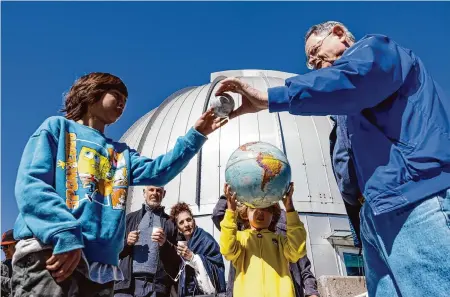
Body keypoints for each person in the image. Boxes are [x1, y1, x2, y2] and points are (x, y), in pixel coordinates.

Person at [215, 21, 450, 296]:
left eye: (316, 51)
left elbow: (353, 78)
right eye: (311, 63)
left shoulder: (374, 51)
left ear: (338, 33)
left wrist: (272, 97)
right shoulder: (345, 111)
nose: (314, 63)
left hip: (415, 198)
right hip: (375, 217)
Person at [12, 72, 228, 297]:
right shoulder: (57, 129)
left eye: (125, 100)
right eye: (116, 95)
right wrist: (65, 235)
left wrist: (197, 134)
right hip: (53, 252)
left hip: (99, 270)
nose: (122, 104)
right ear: (92, 93)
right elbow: (32, 185)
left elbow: (159, 171)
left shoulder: (121, 154)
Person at [212, 196, 319, 297]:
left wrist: (290, 209)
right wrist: (230, 211)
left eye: (267, 209)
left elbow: (298, 250)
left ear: (274, 215)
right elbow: (227, 250)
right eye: (253, 208)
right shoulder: (239, 238)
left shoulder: (281, 241)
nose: (260, 212)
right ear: (245, 214)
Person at [114, 186, 177, 297]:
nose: (155, 193)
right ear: (144, 192)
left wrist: (165, 244)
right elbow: (113, 252)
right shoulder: (129, 218)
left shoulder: (171, 223)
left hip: (156, 287)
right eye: (151, 190)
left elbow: (178, 259)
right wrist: (127, 243)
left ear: (164, 194)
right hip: (127, 286)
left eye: (158, 190)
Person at [156, 202, 226, 297]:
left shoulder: (205, 239)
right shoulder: (183, 244)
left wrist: (193, 258)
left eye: (188, 220)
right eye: (181, 222)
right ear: (178, 229)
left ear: (194, 221)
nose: (186, 224)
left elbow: (217, 269)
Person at [1, 229, 18, 297]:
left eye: (6, 246)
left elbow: (21, 286)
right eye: (2, 247)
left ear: (17, 244)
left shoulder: (31, 263)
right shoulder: (2, 265)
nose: (3, 250)